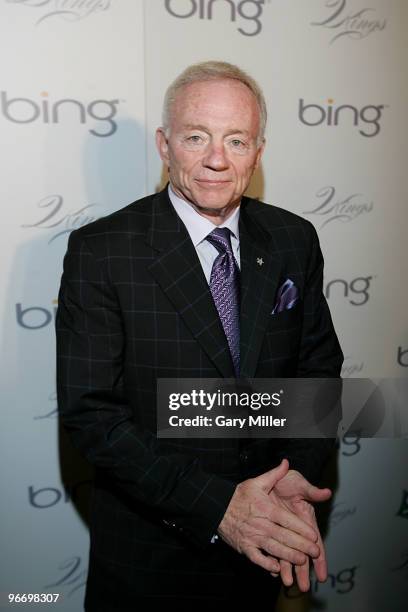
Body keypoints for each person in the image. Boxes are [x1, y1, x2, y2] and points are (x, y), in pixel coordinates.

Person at [56, 61, 343, 608]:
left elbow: (317, 367)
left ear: (258, 152)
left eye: (237, 140)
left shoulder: (293, 239)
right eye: (197, 137)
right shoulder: (103, 250)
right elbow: (93, 415)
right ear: (165, 146)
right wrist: (218, 506)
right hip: (150, 560)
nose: (217, 158)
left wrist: (293, 474)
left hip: (262, 549)